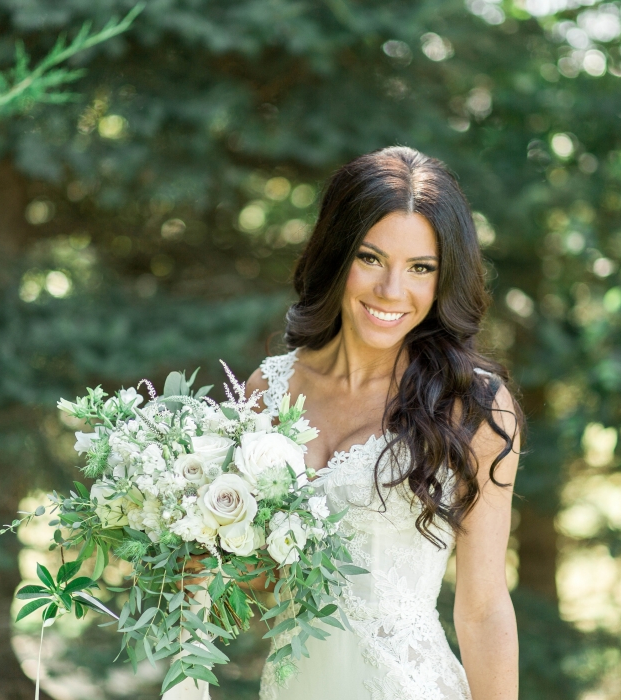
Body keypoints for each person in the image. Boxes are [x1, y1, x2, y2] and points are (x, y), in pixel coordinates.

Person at [245, 146, 523, 700]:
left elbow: (485, 608)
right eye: (371, 259)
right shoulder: (263, 392)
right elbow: (260, 586)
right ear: (335, 253)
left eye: (421, 268)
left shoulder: (474, 407)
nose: (392, 292)